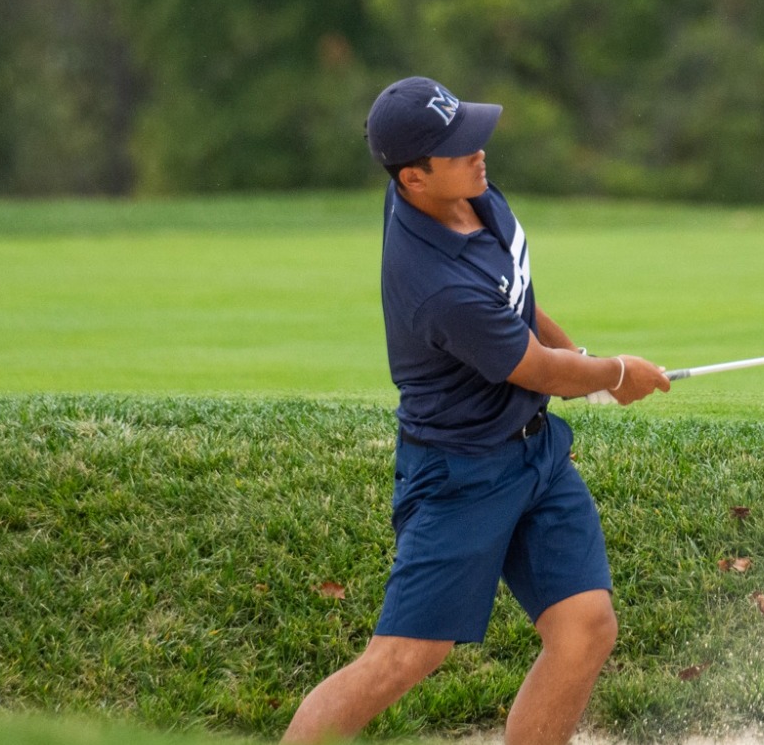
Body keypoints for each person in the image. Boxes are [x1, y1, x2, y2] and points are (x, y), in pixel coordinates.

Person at [283, 76, 671, 745]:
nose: (479, 150)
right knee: (405, 657)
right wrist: (612, 373)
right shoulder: (438, 287)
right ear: (412, 177)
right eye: (459, 146)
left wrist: (581, 360)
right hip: (459, 474)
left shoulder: (463, 191)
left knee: (585, 627)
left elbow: (516, 301)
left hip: (534, 453)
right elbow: (538, 369)